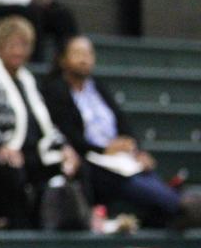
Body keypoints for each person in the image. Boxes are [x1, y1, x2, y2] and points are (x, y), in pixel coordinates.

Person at [43, 35, 201, 228]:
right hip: (93, 161)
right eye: (77, 54)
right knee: (130, 180)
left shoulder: (97, 87)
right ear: (62, 59)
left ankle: (176, 208)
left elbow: (122, 121)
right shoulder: (56, 90)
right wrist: (105, 149)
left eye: (88, 54)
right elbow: (69, 134)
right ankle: (181, 206)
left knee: (143, 169)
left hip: (120, 158)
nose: (84, 59)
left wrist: (136, 149)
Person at [0, 17, 81, 228]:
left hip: (35, 150)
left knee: (76, 164)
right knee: (12, 168)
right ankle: (18, 228)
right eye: (13, 45)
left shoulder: (27, 80)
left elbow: (45, 123)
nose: (18, 51)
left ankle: (74, 224)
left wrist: (64, 147)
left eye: (24, 45)